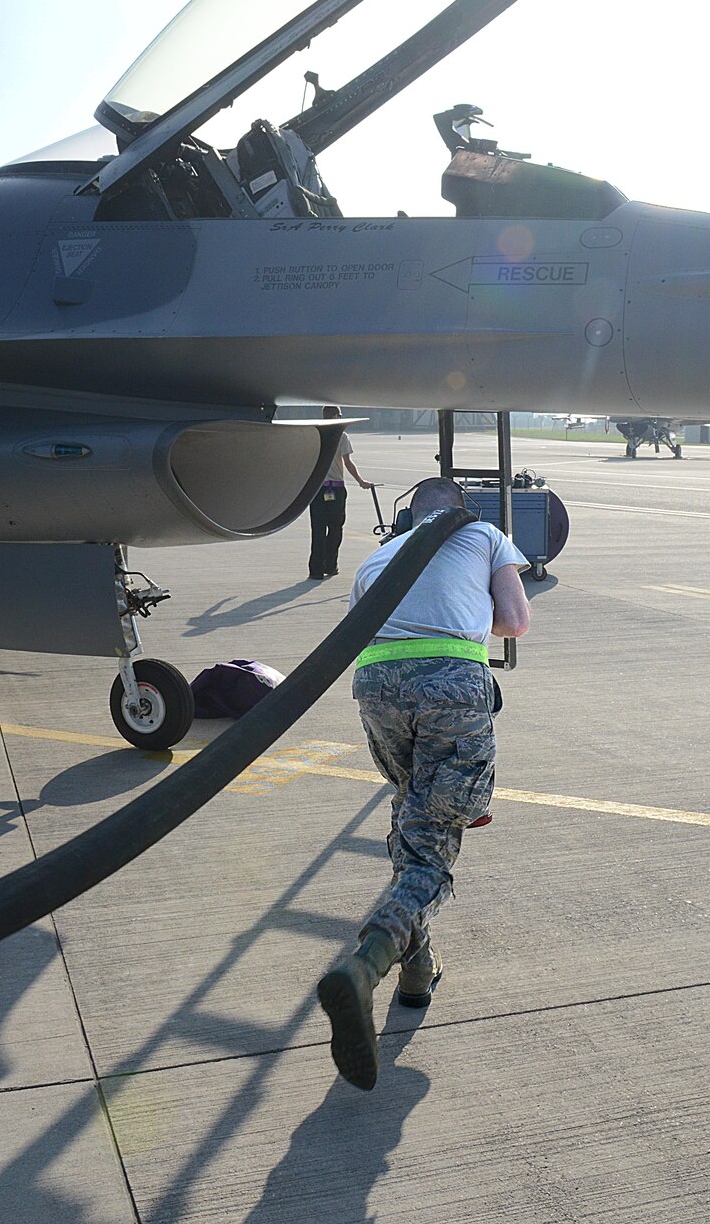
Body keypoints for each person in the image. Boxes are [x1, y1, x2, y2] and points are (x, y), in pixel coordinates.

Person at [316, 476, 531, 1090]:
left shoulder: (374, 559)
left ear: (408, 519)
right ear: (462, 515)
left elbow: (360, 632)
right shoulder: (486, 536)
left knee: (414, 818)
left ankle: (418, 970)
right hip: (452, 685)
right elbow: (515, 623)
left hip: (377, 689)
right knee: (435, 837)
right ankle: (368, 961)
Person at [308, 406, 374, 579]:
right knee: (335, 529)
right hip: (335, 488)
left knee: (318, 530)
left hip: (316, 489)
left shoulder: (315, 433)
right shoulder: (341, 436)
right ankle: (330, 566)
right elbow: (348, 463)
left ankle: (315, 570)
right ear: (336, 416)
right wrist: (361, 481)